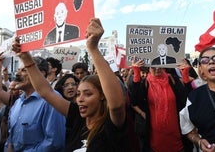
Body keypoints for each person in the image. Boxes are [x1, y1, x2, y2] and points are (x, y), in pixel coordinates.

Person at [12, 18, 131, 151]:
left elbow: (116, 105)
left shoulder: (111, 123)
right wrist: (25, 57)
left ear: (103, 95)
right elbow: (46, 92)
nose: (80, 99)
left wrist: (93, 49)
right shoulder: (76, 117)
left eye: (88, 94)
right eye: (79, 93)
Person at [0, 54, 66, 151]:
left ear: (40, 73)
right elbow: (12, 137)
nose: (17, 74)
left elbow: (54, 143)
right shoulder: (17, 103)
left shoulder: (51, 101)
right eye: (18, 70)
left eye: (24, 70)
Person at [131, 58, 191, 152]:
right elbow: (135, 101)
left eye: (160, 65)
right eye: (154, 66)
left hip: (177, 136)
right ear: (148, 67)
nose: (157, 68)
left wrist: (185, 76)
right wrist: (136, 74)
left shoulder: (172, 80)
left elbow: (187, 100)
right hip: (156, 139)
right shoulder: (145, 83)